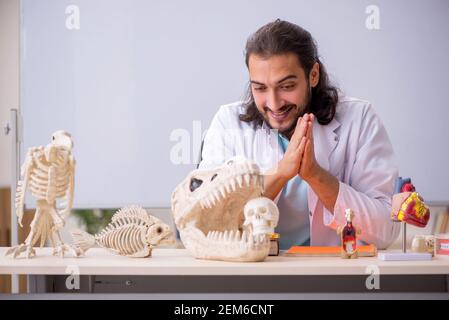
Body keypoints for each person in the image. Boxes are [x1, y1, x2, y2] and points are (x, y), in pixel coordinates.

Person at [198, 19, 400, 250]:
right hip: (253, 274)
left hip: (333, 274)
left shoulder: (360, 118)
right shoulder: (228, 122)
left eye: (287, 86)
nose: (273, 104)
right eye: (260, 88)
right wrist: (280, 174)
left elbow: (385, 230)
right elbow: (207, 223)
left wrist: (315, 175)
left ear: (313, 75)